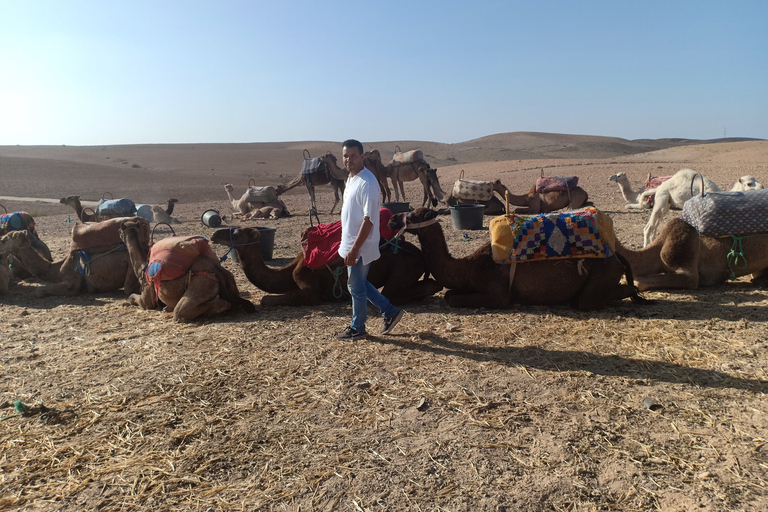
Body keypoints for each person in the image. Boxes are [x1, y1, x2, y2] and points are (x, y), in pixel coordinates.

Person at [336, 139, 404, 340]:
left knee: (356, 287)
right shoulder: (351, 179)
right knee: (358, 283)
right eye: (346, 156)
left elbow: (369, 220)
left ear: (362, 157)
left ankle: (358, 327)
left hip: (361, 246)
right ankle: (390, 312)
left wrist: (355, 249)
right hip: (351, 242)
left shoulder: (368, 183)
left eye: (353, 156)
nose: (349, 160)